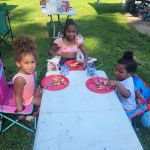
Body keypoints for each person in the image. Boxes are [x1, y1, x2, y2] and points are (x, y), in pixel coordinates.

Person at [12, 35, 42, 119]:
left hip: (31, 93)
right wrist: (20, 111)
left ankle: (36, 110)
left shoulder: (30, 72)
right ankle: (31, 115)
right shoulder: (20, 79)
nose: (30, 66)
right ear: (18, 63)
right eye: (26, 63)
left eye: (32, 62)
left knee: (46, 94)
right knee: (45, 102)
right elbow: (18, 96)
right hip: (26, 100)